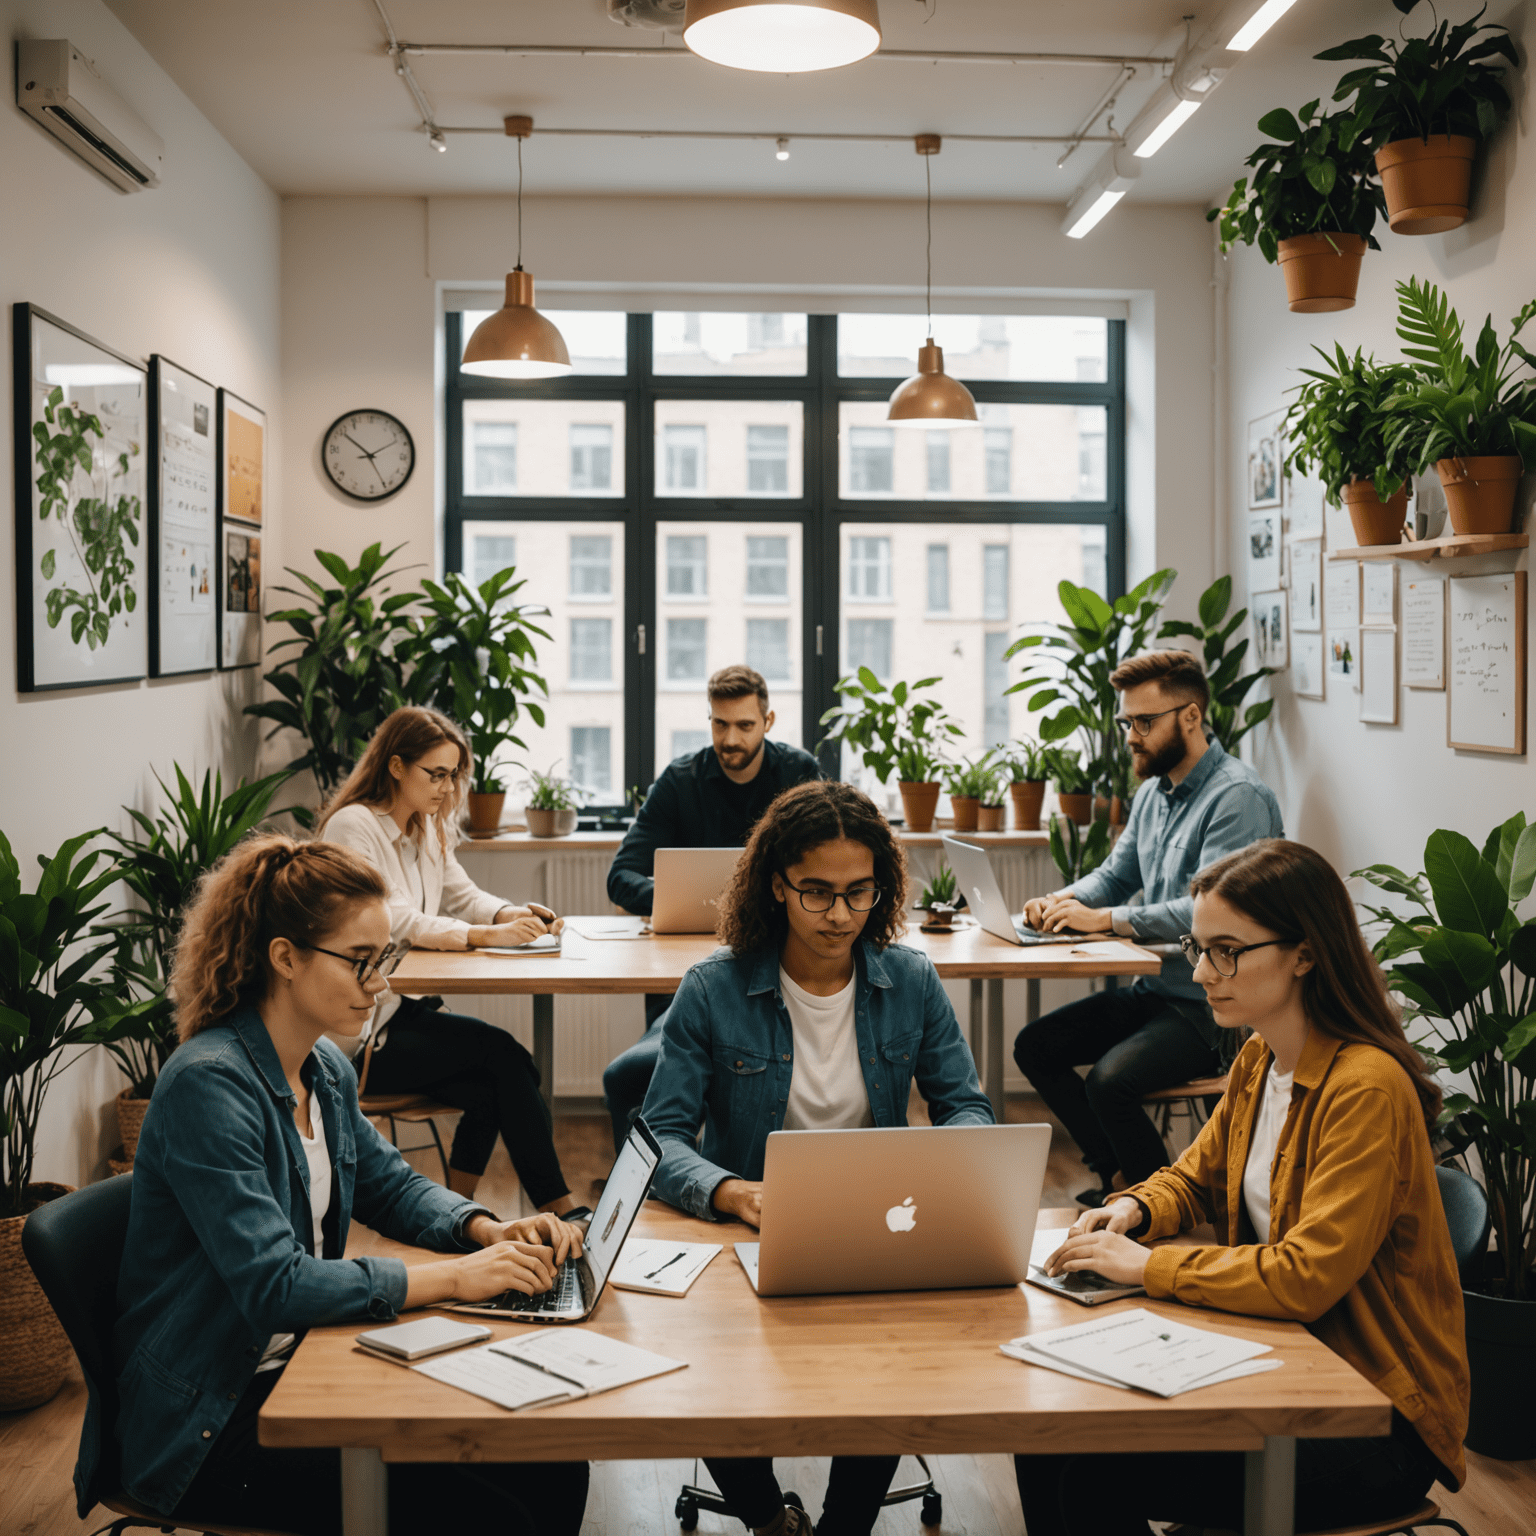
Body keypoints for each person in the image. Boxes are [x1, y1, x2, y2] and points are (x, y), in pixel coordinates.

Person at [99, 834, 589, 1534]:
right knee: (489, 1514)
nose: (381, 983)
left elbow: (390, 1186)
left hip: (297, 1363)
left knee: (554, 1458)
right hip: (209, 1422)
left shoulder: (321, 1067)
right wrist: (454, 1279)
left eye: (384, 957)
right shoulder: (210, 1086)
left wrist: (486, 1229)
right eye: (360, 961)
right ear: (285, 959)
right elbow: (276, 1285)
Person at [1015, 839, 1470, 1535]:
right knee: (1046, 1427)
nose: (1201, 972)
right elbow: (1195, 1176)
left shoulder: (1366, 1089)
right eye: (1199, 948)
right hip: (1283, 1354)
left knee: (1092, 1471)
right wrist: (1135, 1208)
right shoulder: (1262, 1055)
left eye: (1225, 950)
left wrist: (1149, 1265)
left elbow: (1306, 1277)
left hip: (1374, 1414)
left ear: (1305, 954)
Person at [642, 780, 993, 1536]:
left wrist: (952, 1165)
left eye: (859, 893)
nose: (840, 916)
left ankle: (843, 1527)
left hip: (879, 1226)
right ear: (777, 885)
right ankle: (769, 1519)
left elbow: (965, 1104)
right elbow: (657, 1140)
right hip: (744, 1230)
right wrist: (734, 1193)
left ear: (882, 887)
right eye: (818, 893)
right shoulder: (714, 988)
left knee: (890, 1367)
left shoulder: (912, 981)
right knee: (706, 1364)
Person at [1012, 649, 1283, 1203]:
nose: (1132, 735)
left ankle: (1159, 1204)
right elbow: (1116, 875)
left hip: (1213, 1003)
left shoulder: (1238, 797)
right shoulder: (1151, 796)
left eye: (1145, 722)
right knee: (1036, 1046)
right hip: (1156, 986)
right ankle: (1118, 1176)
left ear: (1190, 716)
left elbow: (1215, 912)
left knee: (1112, 1082)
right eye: (1126, 722)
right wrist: (1061, 900)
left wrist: (1106, 920)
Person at [317, 706, 575, 1214]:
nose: (446, 786)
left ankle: (458, 1211)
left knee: (497, 1081)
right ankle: (560, 1209)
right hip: (361, 1030)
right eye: (435, 774)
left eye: (453, 774)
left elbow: (461, 893)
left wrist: (514, 914)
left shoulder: (425, 825)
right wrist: (486, 935)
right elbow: (392, 918)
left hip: (403, 1009)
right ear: (395, 767)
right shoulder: (353, 827)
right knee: (507, 1060)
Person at [602, 664, 822, 1151]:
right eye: (719, 724)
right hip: (688, 978)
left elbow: (826, 867)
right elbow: (621, 877)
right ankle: (646, 1202)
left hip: (779, 973)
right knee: (628, 1078)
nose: (730, 738)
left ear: (768, 721)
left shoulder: (799, 774)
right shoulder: (681, 781)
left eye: (744, 725)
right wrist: (688, 901)